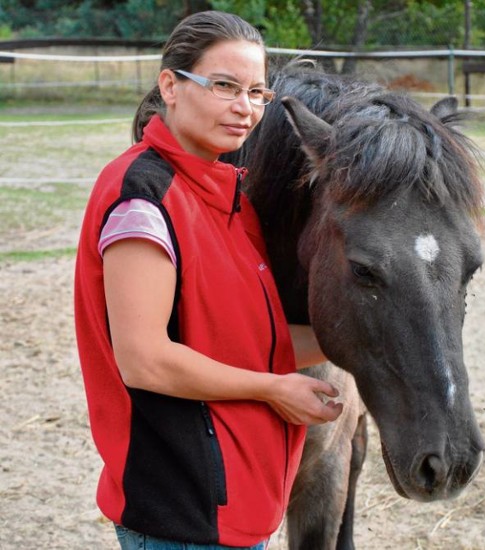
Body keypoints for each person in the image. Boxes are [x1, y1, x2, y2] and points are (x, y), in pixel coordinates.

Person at [74, 10, 343, 550]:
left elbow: (243, 339)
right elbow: (145, 358)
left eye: (257, 93)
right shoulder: (142, 197)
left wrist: (367, 339)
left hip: (232, 501)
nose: (244, 108)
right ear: (170, 85)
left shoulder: (229, 195)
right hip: (183, 508)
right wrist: (275, 389)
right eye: (224, 86)